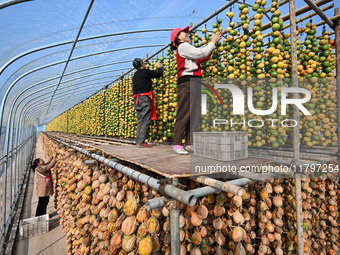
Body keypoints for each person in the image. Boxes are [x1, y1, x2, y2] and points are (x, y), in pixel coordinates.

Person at [170, 26, 222, 155]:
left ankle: (189, 143)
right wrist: (212, 42)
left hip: (195, 81)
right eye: (183, 32)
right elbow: (201, 53)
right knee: (184, 112)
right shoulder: (183, 46)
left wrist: (212, 46)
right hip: (187, 82)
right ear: (178, 37)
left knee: (194, 114)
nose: (186, 34)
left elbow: (202, 58)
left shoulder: (187, 48)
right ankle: (176, 144)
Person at [132, 58, 163, 147]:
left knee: (140, 120)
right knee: (145, 120)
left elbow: (143, 83)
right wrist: (159, 67)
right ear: (142, 64)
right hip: (144, 98)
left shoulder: (135, 75)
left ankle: (138, 141)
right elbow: (159, 74)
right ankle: (141, 142)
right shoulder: (145, 72)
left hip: (137, 99)